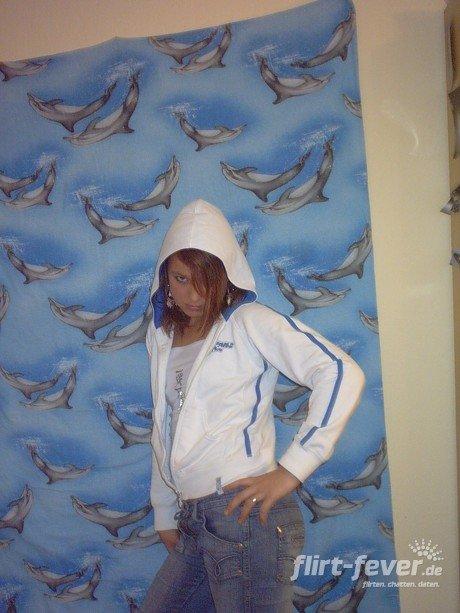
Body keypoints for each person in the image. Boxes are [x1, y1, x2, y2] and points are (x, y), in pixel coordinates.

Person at [140, 198, 366, 612]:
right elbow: (165, 426)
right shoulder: (162, 338)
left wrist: (292, 470)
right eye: (181, 278)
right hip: (195, 520)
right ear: (164, 276)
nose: (194, 294)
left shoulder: (248, 321)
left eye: (207, 278)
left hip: (244, 516)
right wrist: (165, 511)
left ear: (227, 273)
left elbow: (340, 371)